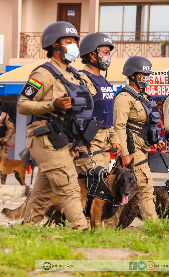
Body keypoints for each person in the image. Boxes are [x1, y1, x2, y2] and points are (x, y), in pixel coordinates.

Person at [17, 21, 99, 230]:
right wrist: (52, 104)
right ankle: (81, 231)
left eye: (75, 42)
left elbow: (93, 95)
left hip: (64, 139)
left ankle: (28, 230)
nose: (74, 46)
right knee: (69, 188)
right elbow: (22, 105)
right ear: (55, 45)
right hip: (44, 137)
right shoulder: (43, 74)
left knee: (42, 191)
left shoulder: (74, 74)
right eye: (68, 42)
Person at [106, 56, 165, 226]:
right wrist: (125, 154)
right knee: (144, 188)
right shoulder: (124, 98)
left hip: (143, 149)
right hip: (132, 152)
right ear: (132, 75)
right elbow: (119, 127)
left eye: (148, 74)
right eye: (142, 74)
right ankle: (156, 227)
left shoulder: (143, 98)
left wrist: (155, 142)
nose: (146, 77)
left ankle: (107, 226)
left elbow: (144, 125)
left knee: (126, 192)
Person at [74, 32, 121, 173]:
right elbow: (75, 112)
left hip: (105, 143)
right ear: (92, 54)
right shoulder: (81, 78)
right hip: (89, 141)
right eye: (105, 52)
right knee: (95, 185)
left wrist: (115, 139)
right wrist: (76, 141)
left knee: (102, 186)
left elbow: (107, 115)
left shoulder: (105, 81)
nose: (108, 57)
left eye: (109, 53)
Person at [0, 99, 15, 184]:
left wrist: (5, 140)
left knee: (3, 162)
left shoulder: (4, 116)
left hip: (1, 142)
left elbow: (11, 128)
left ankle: (2, 184)